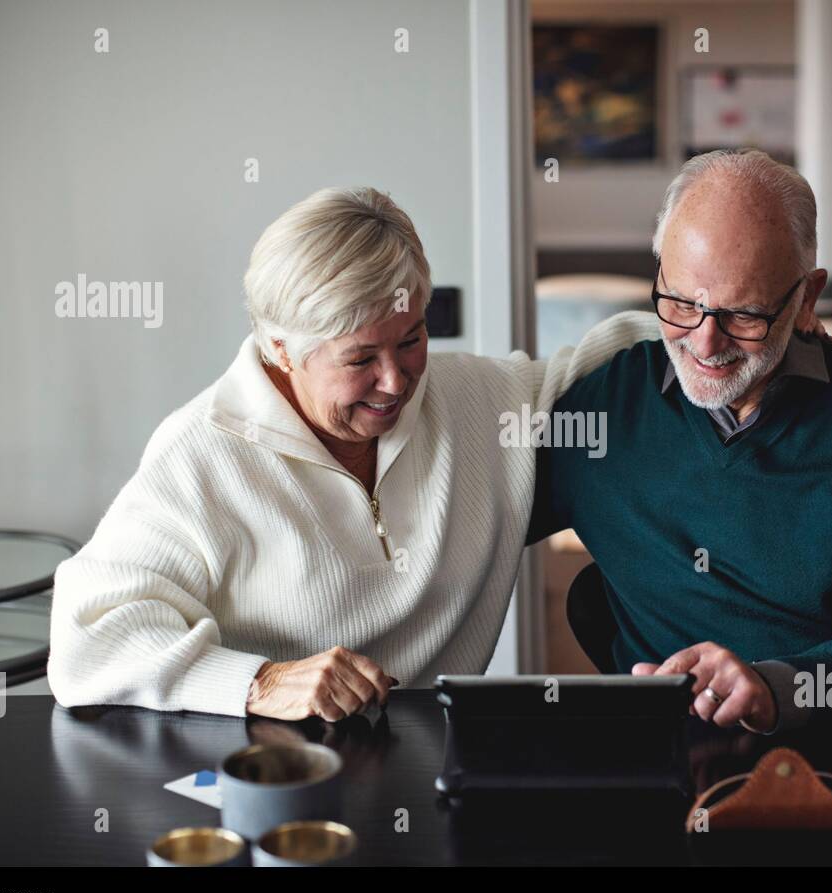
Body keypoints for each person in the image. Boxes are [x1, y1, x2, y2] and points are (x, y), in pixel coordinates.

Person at [47, 186, 665, 720]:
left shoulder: (477, 400)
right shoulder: (203, 455)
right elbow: (86, 639)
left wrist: (718, 317)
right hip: (275, 774)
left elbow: (607, 361)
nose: (397, 381)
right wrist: (257, 681)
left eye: (412, 340)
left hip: (428, 766)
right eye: (361, 359)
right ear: (283, 349)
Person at [528, 149, 832, 734]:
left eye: (745, 315)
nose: (704, 345)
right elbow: (455, 524)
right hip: (662, 760)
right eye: (680, 304)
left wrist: (784, 685)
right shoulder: (602, 411)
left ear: (806, 300)